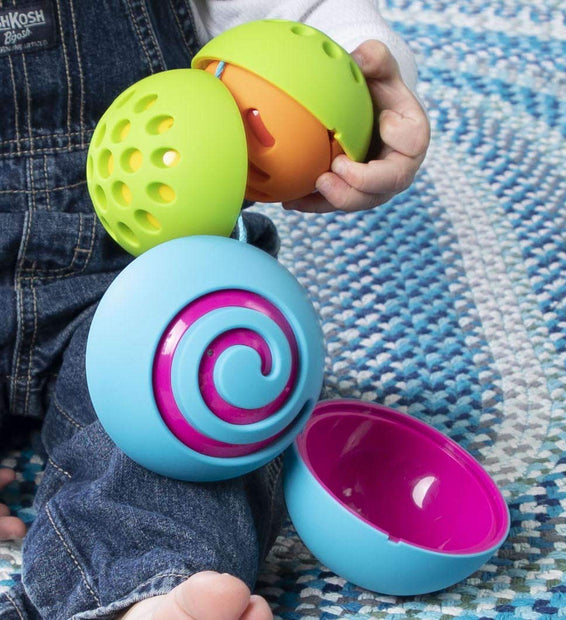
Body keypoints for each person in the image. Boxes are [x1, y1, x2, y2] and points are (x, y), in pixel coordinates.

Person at [0, 0, 430, 618]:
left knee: (190, 420)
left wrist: (359, 88)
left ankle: (143, 591)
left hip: (142, 274)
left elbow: (298, 11)